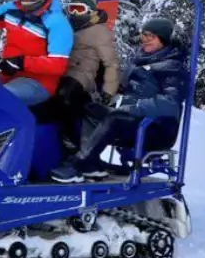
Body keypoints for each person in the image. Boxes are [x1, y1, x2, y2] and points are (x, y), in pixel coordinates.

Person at [50, 15, 187, 182]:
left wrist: (132, 104)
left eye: (151, 36)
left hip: (155, 127)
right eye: (144, 35)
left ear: (164, 39)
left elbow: (170, 103)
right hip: (132, 117)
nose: (145, 40)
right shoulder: (140, 61)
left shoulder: (173, 68)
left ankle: (79, 164)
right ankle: (86, 159)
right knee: (84, 106)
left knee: (114, 119)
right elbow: (123, 87)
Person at [31, 0, 123, 151]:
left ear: (90, 10)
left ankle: (70, 139)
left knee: (66, 96)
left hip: (83, 74)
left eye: (79, 10)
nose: (74, 13)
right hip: (62, 71)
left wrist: (108, 92)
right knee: (42, 92)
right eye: (72, 9)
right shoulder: (69, 27)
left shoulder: (99, 31)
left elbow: (112, 64)